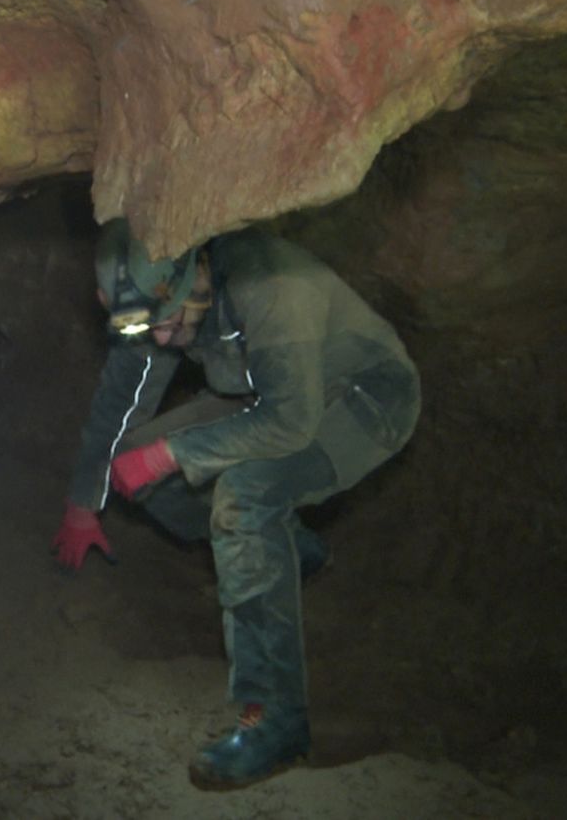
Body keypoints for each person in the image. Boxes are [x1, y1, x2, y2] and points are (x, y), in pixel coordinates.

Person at [51, 219, 420, 790]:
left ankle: (276, 722)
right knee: (130, 459)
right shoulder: (152, 303)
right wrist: (84, 502)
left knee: (244, 498)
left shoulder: (269, 284)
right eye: (148, 328)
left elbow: (291, 421)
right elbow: (123, 400)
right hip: (259, 395)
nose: (163, 340)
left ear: (194, 277)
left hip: (362, 398)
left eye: (169, 323)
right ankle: (290, 552)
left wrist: (174, 452)